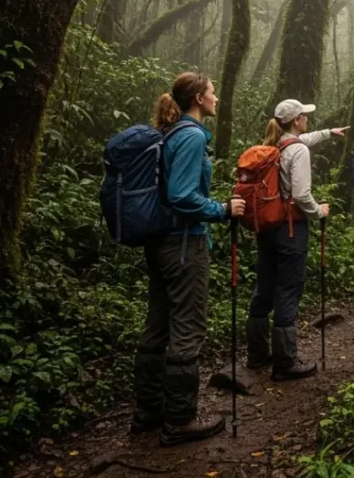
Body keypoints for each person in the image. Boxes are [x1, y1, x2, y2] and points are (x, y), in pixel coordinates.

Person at [133, 72, 246, 446]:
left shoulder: (169, 133)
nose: (216, 98)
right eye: (212, 93)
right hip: (184, 245)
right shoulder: (193, 135)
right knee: (186, 328)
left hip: (160, 242)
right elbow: (182, 195)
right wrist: (223, 209)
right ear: (198, 98)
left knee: (158, 323)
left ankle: (150, 410)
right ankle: (179, 420)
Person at [246, 99, 348, 380]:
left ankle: (256, 355)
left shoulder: (274, 146)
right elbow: (302, 194)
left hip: (267, 226)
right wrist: (319, 212)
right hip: (291, 229)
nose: (307, 119)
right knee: (288, 289)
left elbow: (306, 138)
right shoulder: (298, 151)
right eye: (304, 115)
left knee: (264, 286)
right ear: (296, 121)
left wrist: (329, 132)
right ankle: (285, 362)